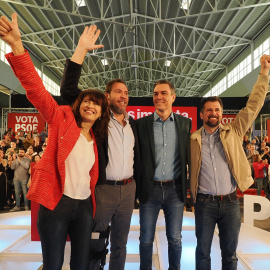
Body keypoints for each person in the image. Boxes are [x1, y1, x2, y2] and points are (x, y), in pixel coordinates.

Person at [0, 13, 110, 270]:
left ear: (101, 112)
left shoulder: (95, 138)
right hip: (56, 204)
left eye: (96, 103)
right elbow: (37, 91)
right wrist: (17, 46)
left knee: (81, 265)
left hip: (84, 207)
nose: (90, 104)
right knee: (53, 264)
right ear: (79, 104)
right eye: (86, 100)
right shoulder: (61, 119)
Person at [60, 25, 140, 270]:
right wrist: (80, 51)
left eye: (126, 93)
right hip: (104, 189)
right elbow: (68, 92)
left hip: (128, 190)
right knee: (97, 240)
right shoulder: (99, 120)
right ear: (107, 96)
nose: (123, 96)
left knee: (121, 242)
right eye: (118, 92)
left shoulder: (132, 125)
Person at [188, 54, 270, 270]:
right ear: (202, 113)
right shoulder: (193, 140)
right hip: (204, 205)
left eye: (217, 110)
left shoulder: (233, 131)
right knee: (203, 254)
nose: (213, 113)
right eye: (209, 110)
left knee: (230, 256)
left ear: (222, 113)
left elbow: (253, 106)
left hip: (231, 203)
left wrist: (263, 74)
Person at [136, 80, 191, 270]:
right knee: (145, 239)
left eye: (164, 93)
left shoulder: (185, 124)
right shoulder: (141, 124)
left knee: (175, 238)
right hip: (149, 190)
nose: (158, 97)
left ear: (173, 97)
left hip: (175, 190)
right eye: (155, 93)